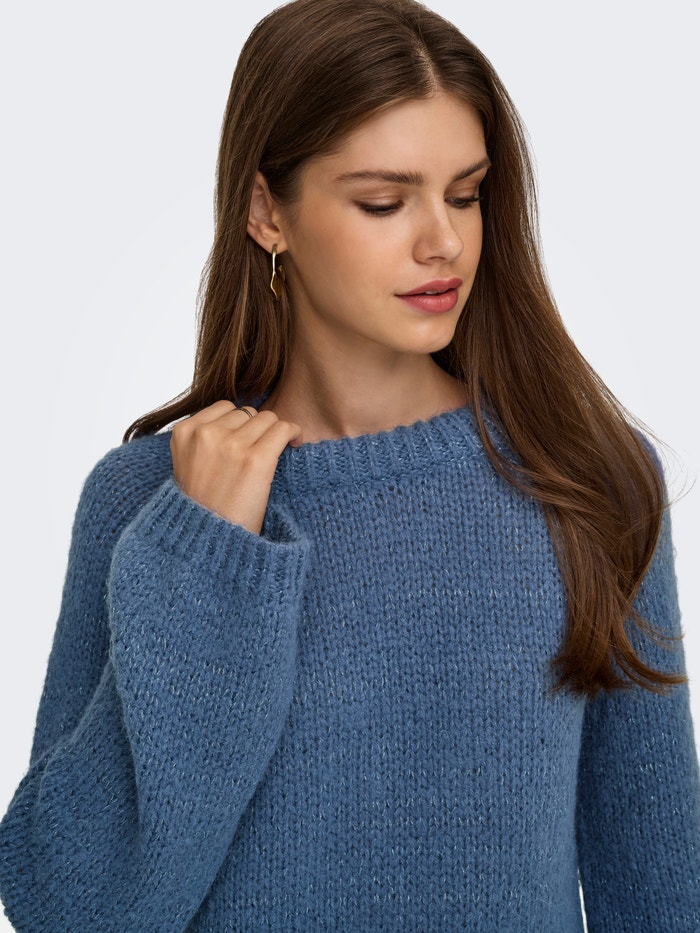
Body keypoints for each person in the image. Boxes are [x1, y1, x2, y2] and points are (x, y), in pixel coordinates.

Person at [0, 0, 698, 928]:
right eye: (383, 201)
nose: (443, 242)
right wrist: (203, 557)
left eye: (465, 194)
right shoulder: (148, 503)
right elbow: (67, 906)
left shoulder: (589, 481)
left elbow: (659, 889)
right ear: (266, 211)